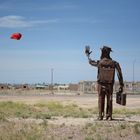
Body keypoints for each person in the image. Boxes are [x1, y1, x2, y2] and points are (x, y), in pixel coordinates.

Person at [88, 46, 124, 120]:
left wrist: (88, 56)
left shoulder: (99, 62)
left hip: (101, 84)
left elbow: (91, 62)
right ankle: (109, 116)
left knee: (101, 99)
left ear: (103, 52)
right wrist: (121, 84)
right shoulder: (114, 63)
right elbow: (119, 73)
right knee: (110, 99)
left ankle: (100, 116)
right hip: (110, 84)